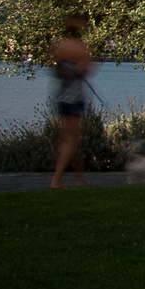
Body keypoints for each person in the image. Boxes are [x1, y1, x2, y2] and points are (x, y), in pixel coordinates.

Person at [49, 15, 94, 188]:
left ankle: (80, 178)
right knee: (71, 139)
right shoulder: (82, 48)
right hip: (75, 96)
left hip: (61, 95)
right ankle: (57, 180)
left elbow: (55, 71)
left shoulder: (59, 47)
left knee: (70, 137)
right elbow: (86, 71)